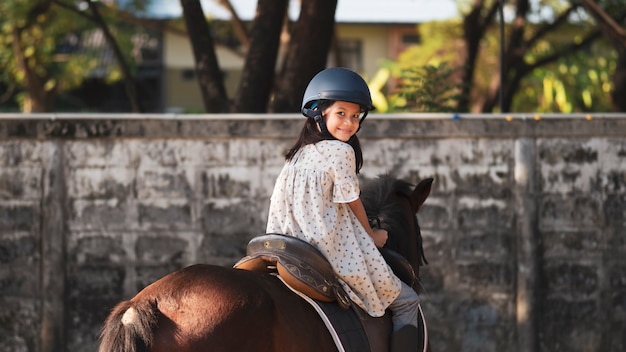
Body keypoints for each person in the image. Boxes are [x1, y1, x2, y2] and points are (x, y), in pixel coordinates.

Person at [266, 67, 420, 351]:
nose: (349, 123)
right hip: (328, 249)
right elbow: (352, 201)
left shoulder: (297, 156)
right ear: (318, 113)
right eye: (341, 113)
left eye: (355, 116)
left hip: (288, 244)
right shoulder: (341, 151)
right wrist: (373, 237)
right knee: (408, 300)